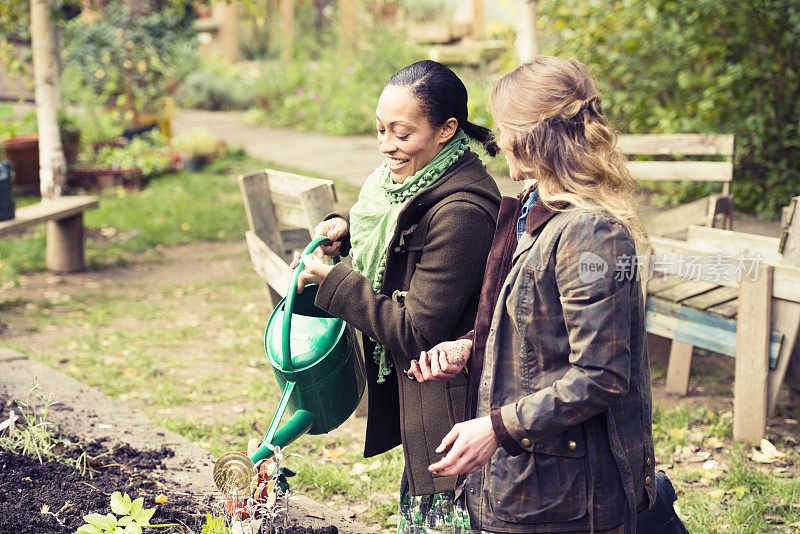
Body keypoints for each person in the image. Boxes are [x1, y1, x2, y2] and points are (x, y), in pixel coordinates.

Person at [412, 56, 656, 534]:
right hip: (528, 481)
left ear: (532, 136)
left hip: (568, 497)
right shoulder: (534, 208)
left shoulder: (591, 233)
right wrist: (471, 345)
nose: (497, 141)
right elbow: (538, 319)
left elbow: (602, 375)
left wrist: (496, 429)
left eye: (504, 128)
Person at [291, 60, 502, 533]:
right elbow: (397, 229)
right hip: (424, 405)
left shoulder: (462, 211)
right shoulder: (405, 183)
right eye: (380, 129)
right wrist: (347, 233)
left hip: (452, 413)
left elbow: (414, 330)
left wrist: (333, 284)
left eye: (402, 134)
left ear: (447, 129)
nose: (387, 145)